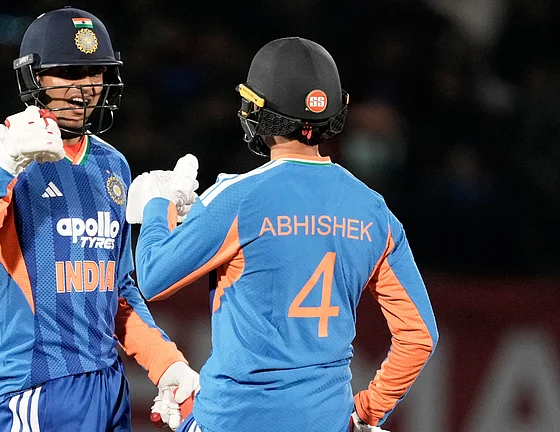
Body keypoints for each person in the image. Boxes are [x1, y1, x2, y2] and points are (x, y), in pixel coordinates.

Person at [127, 37, 439, 432]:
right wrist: (365, 411)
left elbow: (153, 276)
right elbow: (420, 336)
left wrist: (158, 204)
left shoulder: (237, 197)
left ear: (262, 112)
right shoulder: (373, 210)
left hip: (233, 421)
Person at [0, 7, 199, 431]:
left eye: (94, 73)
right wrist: (4, 168)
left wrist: (166, 364)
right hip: (33, 390)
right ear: (35, 78)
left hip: (109, 388)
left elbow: (119, 290)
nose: (84, 89)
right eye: (69, 72)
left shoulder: (113, 164)